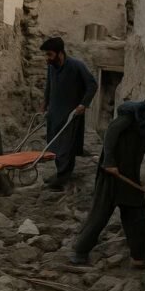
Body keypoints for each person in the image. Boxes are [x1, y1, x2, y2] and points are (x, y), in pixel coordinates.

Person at [70, 87, 145, 265]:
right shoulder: (132, 114)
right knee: (100, 215)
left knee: (138, 217)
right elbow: (111, 132)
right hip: (111, 174)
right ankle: (80, 250)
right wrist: (110, 162)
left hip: (130, 176)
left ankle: (139, 257)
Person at [40, 36, 98, 190]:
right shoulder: (51, 67)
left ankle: (63, 178)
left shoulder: (76, 65)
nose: (47, 58)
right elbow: (49, 86)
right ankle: (60, 172)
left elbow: (92, 85)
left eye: (49, 54)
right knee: (55, 144)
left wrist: (83, 104)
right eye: (46, 55)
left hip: (71, 113)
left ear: (60, 53)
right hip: (54, 112)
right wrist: (45, 104)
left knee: (66, 146)